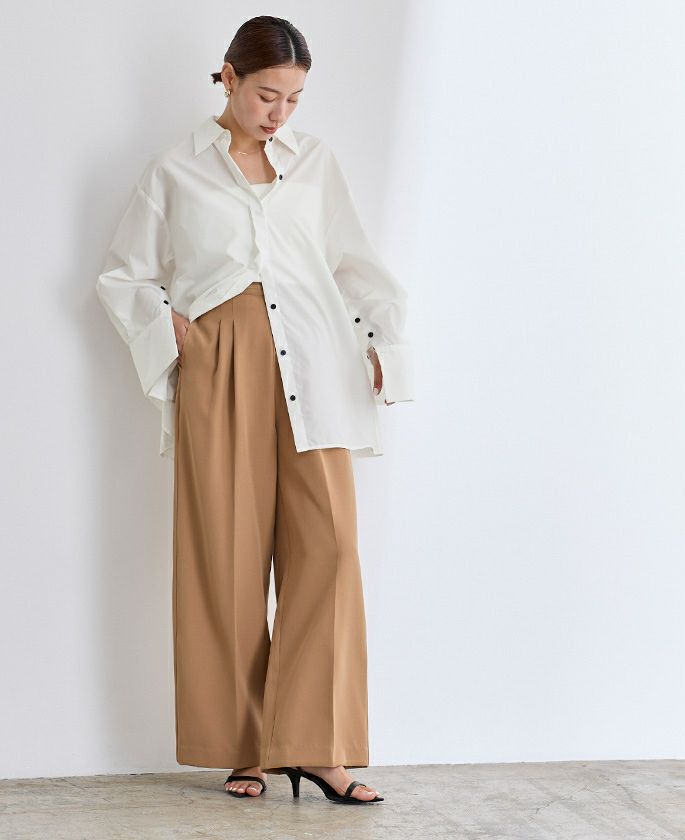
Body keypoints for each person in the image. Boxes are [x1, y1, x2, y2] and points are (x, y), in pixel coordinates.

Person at [95, 15, 414, 806]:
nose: (280, 112)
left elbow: (355, 263)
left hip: (315, 361)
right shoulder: (175, 169)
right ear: (230, 78)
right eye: (268, 94)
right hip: (222, 363)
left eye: (295, 99)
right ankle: (246, 748)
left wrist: (386, 344)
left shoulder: (315, 164)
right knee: (227, 558)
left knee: (329, 550)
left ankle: (318, 746)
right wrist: (167, 327)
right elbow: (123, 274)